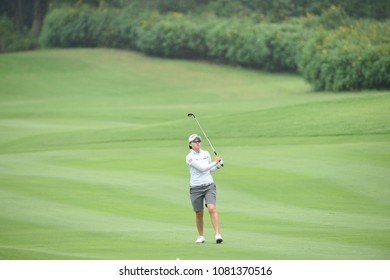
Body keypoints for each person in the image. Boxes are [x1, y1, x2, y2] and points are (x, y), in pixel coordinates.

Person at [185, 133, 224, 244]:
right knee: (199, 212)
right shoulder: (189, 157)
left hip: (209, 185)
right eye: (195, 141)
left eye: (199, 141)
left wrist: (218, 166)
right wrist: (215, 162)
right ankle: (201, 236)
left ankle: (217, 235)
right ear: (190, 144)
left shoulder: (206, 153)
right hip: (195, 187)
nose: (197, 143)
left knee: (212, 208)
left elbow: (209, 170)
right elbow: (202, 169)